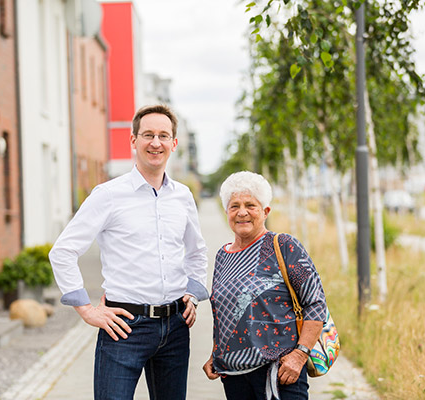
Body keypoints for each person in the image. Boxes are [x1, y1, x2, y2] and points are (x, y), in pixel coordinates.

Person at [49, 104, 208, 400]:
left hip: (175, 328)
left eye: (163, 135)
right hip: (124, 329)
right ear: (133, 140)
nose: (155, 142)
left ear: (174, 143)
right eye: (148, 134)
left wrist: (194, 293)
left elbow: (196, 252)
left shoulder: (182, 196)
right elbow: (63, 251)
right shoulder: (108, 195)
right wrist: (86, 310)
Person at [202, 171, 327, 400]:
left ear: (265, 211)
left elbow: (316, 303)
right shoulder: (222, 255)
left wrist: (300, 355)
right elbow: (223, 311)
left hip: (280, 373)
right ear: (227, 212)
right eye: (234, 206)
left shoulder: (284, 246)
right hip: (234, 376)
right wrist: (216, 354)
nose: (242, 212)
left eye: (250, 205)